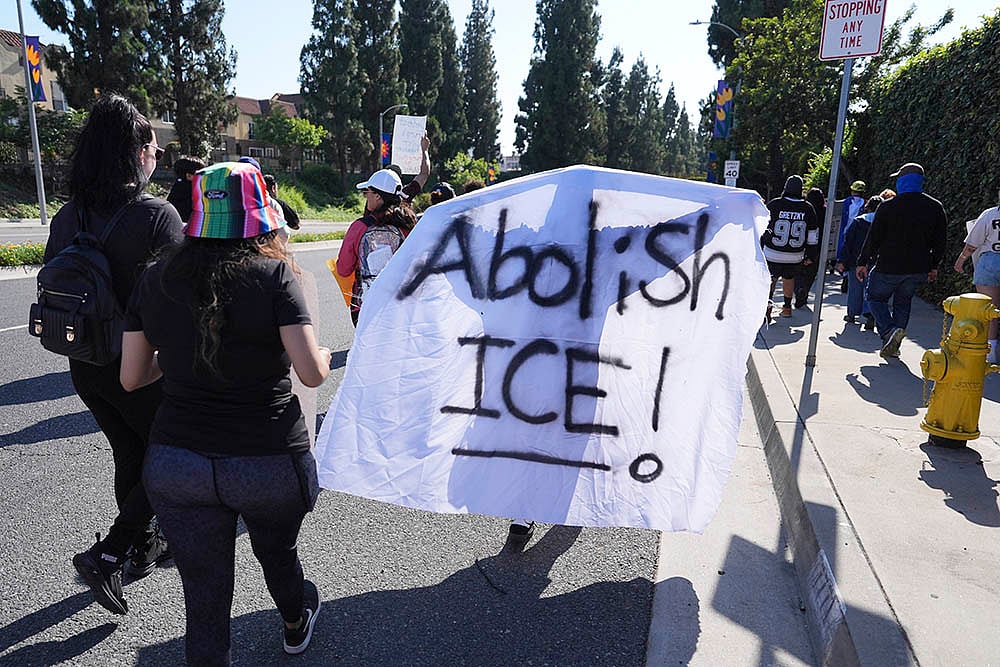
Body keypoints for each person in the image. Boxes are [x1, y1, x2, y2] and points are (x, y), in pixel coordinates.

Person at [121, 161, 332, 664]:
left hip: (178, 463)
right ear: (260, 218)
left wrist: (180, 357)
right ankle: (294, 619)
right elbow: (310, 373)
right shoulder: (275, 275)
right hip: (267, 460)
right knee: (277, 552)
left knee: (204, 592)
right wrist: (324, 355)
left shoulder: (155, 277)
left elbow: (131, 377)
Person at [42, 94, 184, 615]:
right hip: (140, 369)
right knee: (168, 452)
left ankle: (140, 550)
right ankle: (112, 552)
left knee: (130, 451)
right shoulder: (156, 216)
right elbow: (178, 299)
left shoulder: (67, 216)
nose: (156, 158)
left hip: (84, 364)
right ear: (136, 153)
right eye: (153, 149)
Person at [857, 162, 947, 358]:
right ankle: (892, 344)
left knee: (874, 297)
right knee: (903, 302)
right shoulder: (935, 206)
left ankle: (889, 331)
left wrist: (862, 262)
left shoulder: (888, 206)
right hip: (918, 268)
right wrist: (933, 266)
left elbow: (873, 238)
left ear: (902, 181)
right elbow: (940, 241)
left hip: (888, 265)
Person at [336, 168, 417, 326]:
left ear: (378, 196)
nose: (366, 196)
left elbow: (343, 269)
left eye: (367, 192)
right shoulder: (408, 226)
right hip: (401, 305)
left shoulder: (359, 227)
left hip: (365, 305)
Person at [761, 175, 820, 320]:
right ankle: (787, 308)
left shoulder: (775, 204)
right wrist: (811, 255)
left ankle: (767, 308)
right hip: (795, 254)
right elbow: (813, 235)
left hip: (772, 252)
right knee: (789, 277)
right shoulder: (807, 208)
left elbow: (762, 227)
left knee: (771, 279)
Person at [954, 187, 1000, 362]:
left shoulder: (989, 215)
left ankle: (990, 352)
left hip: (990, 263)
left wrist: (961, 260)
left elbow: (972, 244)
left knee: (989, 310)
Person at [837, 195, 883, 329]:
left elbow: (848, 243)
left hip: (855, 260)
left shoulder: (858, 222)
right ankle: (870, 315)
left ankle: (852, 314)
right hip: (876, 262)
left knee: (854, 288)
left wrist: (842, 261)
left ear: (868, 207)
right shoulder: (884, 223)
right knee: (873, 290)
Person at [794, 187, 827, 308]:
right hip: (818, 246)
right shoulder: (825, 212)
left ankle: (798, 290)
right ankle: (805, 292)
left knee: (798, 272)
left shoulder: (804, 209)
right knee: (811, 273)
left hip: (801, 244)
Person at [165, 155, 206, 222]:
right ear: (189, 175)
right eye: (200, 174)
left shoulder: (177, 189)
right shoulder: (190, 192)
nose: (203, 176)